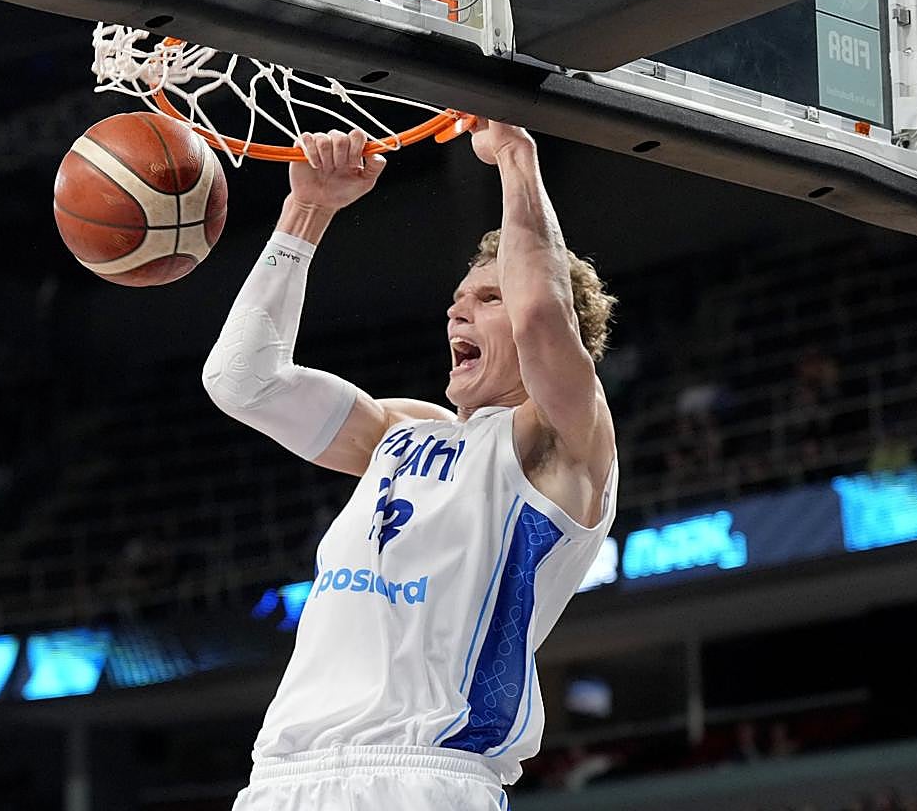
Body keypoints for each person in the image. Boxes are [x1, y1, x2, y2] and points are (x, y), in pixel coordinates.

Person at [203, 121, 619, 809]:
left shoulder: (562, 445)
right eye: (456, 304)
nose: (459, 317)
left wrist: (516, 158)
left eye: (489, 300)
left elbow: (543, 313)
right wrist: (307, 211)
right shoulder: (398, 432)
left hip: (424, 775)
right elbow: (242, 381)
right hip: (283, 780)